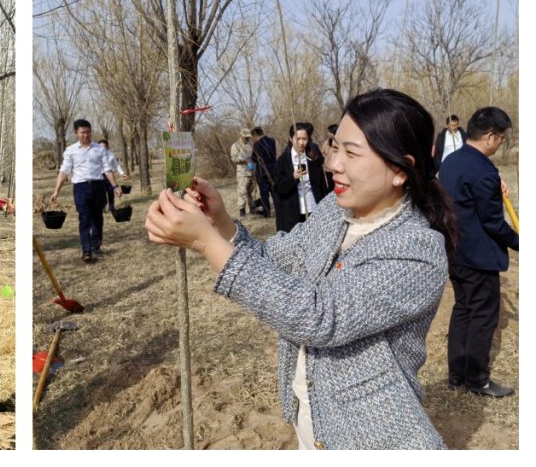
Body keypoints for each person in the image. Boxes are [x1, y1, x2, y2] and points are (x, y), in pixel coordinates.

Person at [146, 89, 455, 450]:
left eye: (352, 153)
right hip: (314, 421)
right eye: (335, 147)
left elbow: (321, 315)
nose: (333, 163)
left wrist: (205, 244)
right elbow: (276, 260)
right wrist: (222, 224)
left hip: (372, 437)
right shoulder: (335, 212)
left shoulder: (417, 251)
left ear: (401, 170)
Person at [439, 106, 518, 398]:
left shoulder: (451, 161)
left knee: (463, 310)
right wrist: (520, 242)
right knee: (483, 317)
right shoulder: (484, 170)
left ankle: (456, 375)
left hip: (455, 252)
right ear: (489, 136)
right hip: (478, 257)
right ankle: (478, 379)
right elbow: (494, 224)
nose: (500, 144)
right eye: (500, 139)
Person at [49, 119, 121, 262]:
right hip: (81, 187)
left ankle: (95, 246)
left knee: (98, 218)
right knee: (84, 219)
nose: (86, 135)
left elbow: (107, 170)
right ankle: (86, 251)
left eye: (88, 132)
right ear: (76, 133)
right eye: (83, 133)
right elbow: (64, 172)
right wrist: (56, 190)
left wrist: (115, 186)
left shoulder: (99, 149)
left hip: (98, 186)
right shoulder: (71, 151)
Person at [274, 123, 328, 234]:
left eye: (305, 139)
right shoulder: (283, 161)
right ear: (290, 138)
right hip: (293, 211)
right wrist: (293, 178)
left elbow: (321, 184)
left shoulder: (312, 156)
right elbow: (279, 188)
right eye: (298, 139)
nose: (301, 143)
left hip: (313, 207)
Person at [229, 129, 257, 217]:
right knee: (242, 191)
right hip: (242, 172)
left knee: (251, 191)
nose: (247, 139)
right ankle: (242, 210)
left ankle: (252, 208)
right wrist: (242, 158)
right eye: (245, 137)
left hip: (251, 170)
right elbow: (233, 158)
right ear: (241, 136)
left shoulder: (251, 144)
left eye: (248, 137)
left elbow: (255, 155)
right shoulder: (235, 146)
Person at [251, 127, 277, 217]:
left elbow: (253, 158)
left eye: (253, 136)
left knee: (264, 194)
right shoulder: (272, 141)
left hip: (263, 173)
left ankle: (267, 213)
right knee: (274, 192)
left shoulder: (257, 144)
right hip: (274, 170)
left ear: (255, 135)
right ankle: (278, 210)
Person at [96, 136, 126, 212]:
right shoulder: (95, 155)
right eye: (100, 146)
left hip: (110, 176)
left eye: (104, 146)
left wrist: (122, 173)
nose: (102, 148)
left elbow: (116, 165)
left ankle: (112, 208)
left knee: (111, 192)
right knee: (102, 193)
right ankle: (103, 206)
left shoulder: (110, 155)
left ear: (107, 147)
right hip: (100, 176)